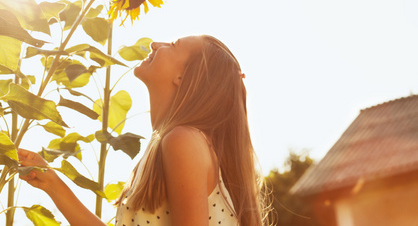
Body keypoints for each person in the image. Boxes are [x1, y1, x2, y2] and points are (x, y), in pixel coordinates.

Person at [19, 35, 268, 226]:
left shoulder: (183, 141)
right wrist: (51, 182)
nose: (155, 44)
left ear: (183, 78)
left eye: (173, 44)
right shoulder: (175, 142)